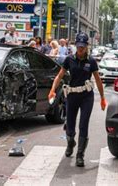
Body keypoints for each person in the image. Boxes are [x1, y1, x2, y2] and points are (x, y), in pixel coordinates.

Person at [48, 32, 107, 167]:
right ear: (76, 46)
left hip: (87, 96)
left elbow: (98, 80)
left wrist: (103, 97)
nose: (80, 49)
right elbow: (59, 76)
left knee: (83, 124)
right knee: (70, 123)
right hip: (72, 95)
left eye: (83, 47)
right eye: (78, 46)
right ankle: (70, 143)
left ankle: (80, 155)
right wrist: (52, 90)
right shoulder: (69, 59)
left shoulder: (91, 61)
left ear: (87, 46)